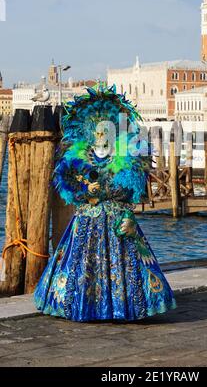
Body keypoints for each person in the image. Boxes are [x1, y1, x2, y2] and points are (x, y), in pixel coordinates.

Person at [34, 83, 176, 321]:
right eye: (97, 132)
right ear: (90, 132)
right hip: (87, 221)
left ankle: (123, 307)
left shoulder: (127, 154)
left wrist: (121, 207)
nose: (101, 136)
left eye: (105, 131)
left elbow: (133, 189)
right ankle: (85, 306)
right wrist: (86, 190)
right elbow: (65, 183)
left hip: (116, 220)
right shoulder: (77, 156)